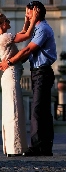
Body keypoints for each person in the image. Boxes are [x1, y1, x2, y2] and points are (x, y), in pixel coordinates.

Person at [0, 1, 57, 156]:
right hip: (37, 72)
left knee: (38, 109)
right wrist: (29, 20)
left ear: (36, 12)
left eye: (28, 12)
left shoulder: (42, 29)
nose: (26, 14)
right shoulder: (37, 29)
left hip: (42, 71)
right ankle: (43, 147)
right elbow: (26, 46)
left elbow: (27, 50)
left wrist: (10, 62)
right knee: (41, 110)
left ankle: (39, 147)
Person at [0, 10, 38, 157]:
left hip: (8, 76)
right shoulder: (5, 37)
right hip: (11, 75)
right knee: (15, 110)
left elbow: (22, 31)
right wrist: (33, 19)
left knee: (12, 109)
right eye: (7, 21)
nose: (9, 23)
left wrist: (27, 21)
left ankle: (13, 147)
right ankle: (16, 148)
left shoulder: (4, 37)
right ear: (2, 24)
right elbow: (27, 35)